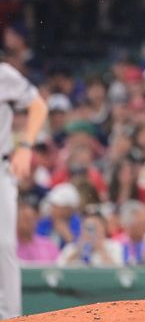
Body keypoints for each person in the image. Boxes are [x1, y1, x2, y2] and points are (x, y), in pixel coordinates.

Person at [0, 62, 49, 319]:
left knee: (4, 244)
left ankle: (9, 316)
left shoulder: (3, 75)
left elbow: (38, 105)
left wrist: (26, 146)